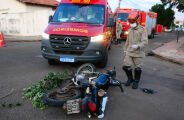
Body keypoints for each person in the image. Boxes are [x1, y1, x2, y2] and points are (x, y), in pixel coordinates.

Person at [123, 12, 148, 89]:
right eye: (130, 21)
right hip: (129, 51)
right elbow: (127, 40)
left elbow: (145, 42)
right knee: (126, 66)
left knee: (137, 68)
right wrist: (125, 49)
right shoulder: (130, 29)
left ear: (137, 21)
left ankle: (136, 82)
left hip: (138, 52)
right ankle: (130, 79)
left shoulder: (143, 30)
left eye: (132, 21)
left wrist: (138, 46)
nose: (131, 23)